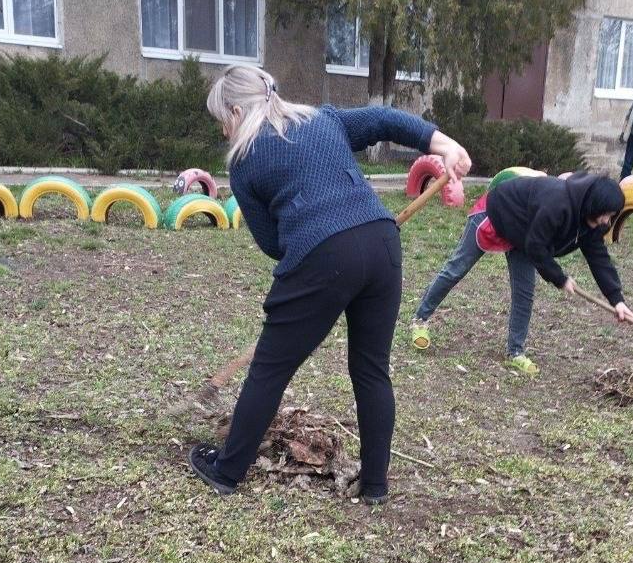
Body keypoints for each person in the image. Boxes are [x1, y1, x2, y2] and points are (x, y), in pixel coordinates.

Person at [189, 65, 471, 504]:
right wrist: (445, 144)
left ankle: (226, 471)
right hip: (381, 242)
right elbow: (383, 120)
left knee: (271, 368)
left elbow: (273, 244)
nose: (224, 131)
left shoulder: (243, 163)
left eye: (222, 120)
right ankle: (374, 484)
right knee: (371, 368)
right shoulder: (323, 120)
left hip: (322, 255)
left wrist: (318, 247)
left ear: (237, 112)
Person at [410, 173, 633, 375]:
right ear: (593, 205)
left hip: (525, 232)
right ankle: (420, 319)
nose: (607, 221)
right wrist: (560, 278)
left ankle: (515, 351)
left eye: (611, 216)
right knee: (455, 270)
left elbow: (599, 258)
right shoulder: (558, 203)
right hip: (497, 213)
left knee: (524, 294)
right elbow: (537, 247)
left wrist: (617, 299)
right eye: (606, 214)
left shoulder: (594, 223)